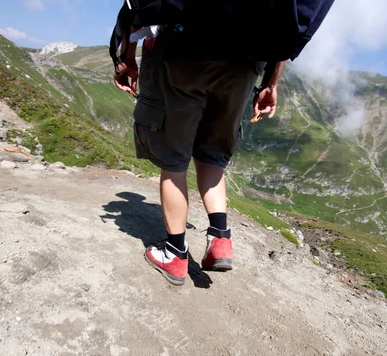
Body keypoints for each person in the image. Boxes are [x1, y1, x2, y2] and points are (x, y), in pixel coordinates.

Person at [113, 18, 287, 287]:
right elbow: (287, 22)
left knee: (173, 158)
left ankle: (174, 253)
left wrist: (125, 56)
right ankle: (220, 240)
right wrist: (271, 82)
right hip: (246, 61)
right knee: (213, 151)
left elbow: (135, 9)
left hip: (183, 49)